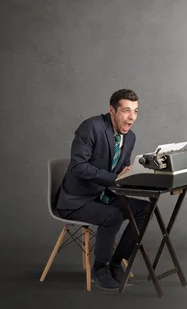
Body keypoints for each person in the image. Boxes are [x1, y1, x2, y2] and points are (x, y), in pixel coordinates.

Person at [55, 88, 150, 290]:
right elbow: (79, 166)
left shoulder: (130, 137)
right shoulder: (91, 127)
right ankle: (100, 268)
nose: (131, 117)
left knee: (144, 209)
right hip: (76, 200)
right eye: (126, 110)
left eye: (135, 111)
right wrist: (115, 178)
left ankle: (116, 263)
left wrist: (129, 174)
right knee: (113, 216)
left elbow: (120, 168)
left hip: (102, 195)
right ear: (112, 110)